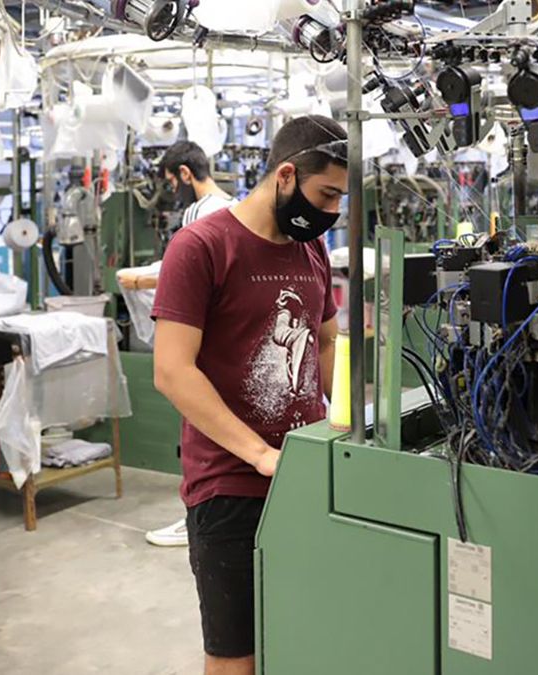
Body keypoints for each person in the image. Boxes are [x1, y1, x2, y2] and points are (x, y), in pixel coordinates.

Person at [151, 115, 346, 675]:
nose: (332, 210)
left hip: (304, 473)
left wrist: (355, 422)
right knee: (236, 655)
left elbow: (324, 342)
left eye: (340, 198)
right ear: (286, 176)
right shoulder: (202, 246)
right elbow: (173, 371)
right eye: (325, 194)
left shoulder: (311, 249)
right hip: (230, 485)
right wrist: (259, 454)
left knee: (300, 636)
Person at [145, 140, 238, 547]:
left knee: (200, 429)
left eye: (172, 183)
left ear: (185, 174)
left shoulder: (199, 214)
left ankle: (196, 513)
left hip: (202, 337)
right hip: (227, 339)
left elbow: (184, 280)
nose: (173, 192)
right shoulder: (233, 207)